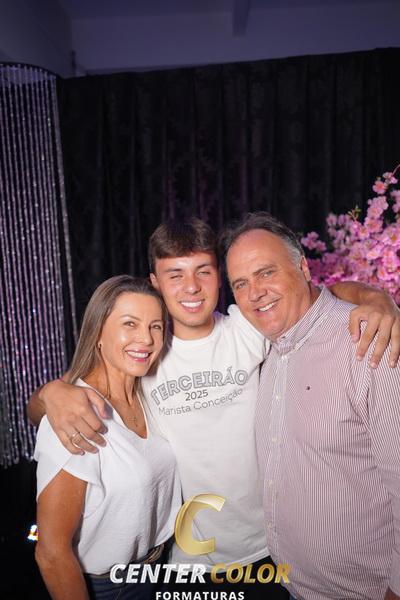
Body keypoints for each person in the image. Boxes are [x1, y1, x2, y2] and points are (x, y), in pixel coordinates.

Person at [29, 220, 400, 598]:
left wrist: (375, 298)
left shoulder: (249, 328)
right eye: (175, 275)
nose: (191, 287)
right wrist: (51, 394)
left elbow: (312, 296)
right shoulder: (147, 353)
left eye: (203, 272)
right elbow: (67, 396)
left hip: (271, 553)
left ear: (220, 278)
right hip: (190, 562)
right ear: (155, 283)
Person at [221, 211, 400, 600]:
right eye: (240, 284)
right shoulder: (266, 348)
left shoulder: (367, 341)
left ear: (303, 267)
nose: (255, 293)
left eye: (266, 273)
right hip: (294, 588)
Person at [34, 275, 181, 600]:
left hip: (162, 566)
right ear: (98, 332)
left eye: (155, 326)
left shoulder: (150, 391)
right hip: (112, 587)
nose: (146, 339)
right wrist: (51, 393)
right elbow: (52, 554)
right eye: (130, 324)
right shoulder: (75, 416)